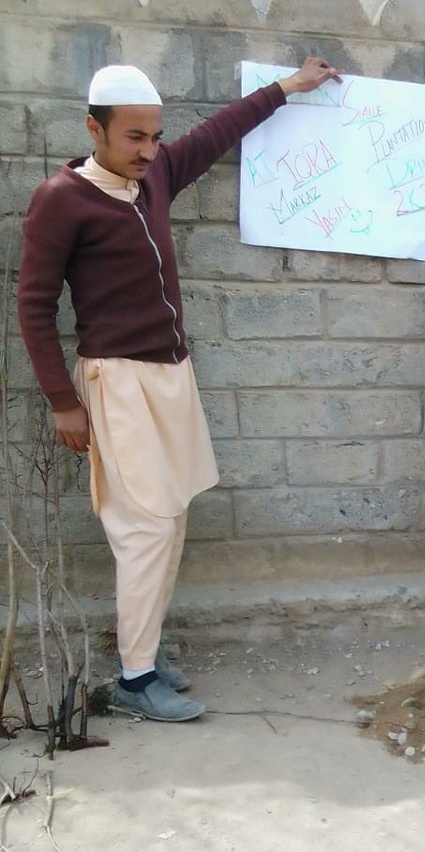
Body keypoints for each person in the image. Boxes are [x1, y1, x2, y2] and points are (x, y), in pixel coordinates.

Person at [17, 57, 341, 722]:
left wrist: (287, 87)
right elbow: (34, 304)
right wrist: (62, 402)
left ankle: (144, 648)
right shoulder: (62, 198)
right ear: (94, 129)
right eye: (133, 137)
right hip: (116, 381)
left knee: (172, 517)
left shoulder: (156, 174)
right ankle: (135, 681)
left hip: (171, 374)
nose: (148, 150)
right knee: (144, 526)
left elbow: (218, 133)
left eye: (155, 136)